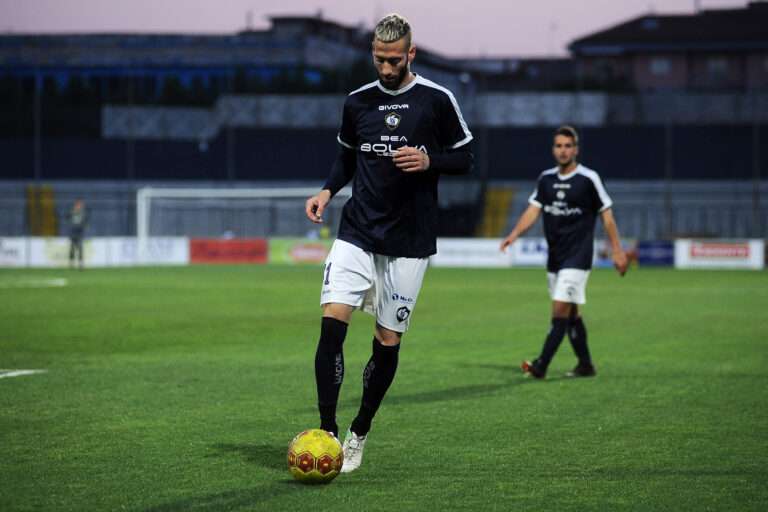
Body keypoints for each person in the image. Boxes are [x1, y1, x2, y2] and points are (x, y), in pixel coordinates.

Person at [304, 13, 473, 473]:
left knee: (386, 339)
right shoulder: (357, 102)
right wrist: (326, 190)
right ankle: (327, 432)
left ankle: (359, 431)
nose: (386, 68)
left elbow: (466, 158)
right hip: (357, 231)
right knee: (331, 326)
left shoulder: (437, 100)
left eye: (394, 60)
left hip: (409, 242)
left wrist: (428, 160)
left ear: (411, 54)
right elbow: (346, 158)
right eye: (379, 59)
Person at [500, 125, 627, 379]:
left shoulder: (588, 178)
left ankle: (540, 365)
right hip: (555, 257)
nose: (563, 150)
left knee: (559, 309)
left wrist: (618, 250)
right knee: (571, 314)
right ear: (553, 149)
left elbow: (607, 215)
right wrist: (514, 234)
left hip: (578, 257)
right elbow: (533, 210)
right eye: (559, 145)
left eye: (568, 146)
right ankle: (586, 365)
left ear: (575, 150)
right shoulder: (546, 179)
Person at [67, 198, 87, 270]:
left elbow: (84, 222)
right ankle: (71, 265)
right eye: (79, 205)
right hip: (73, 233)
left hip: (79, 233)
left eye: (81, 205)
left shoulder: (82, 213)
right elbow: (67, 217)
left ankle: (81, 265)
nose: (80, 206)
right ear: (76, 205)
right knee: (72, 249)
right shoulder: (72, 212)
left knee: (80, 249)